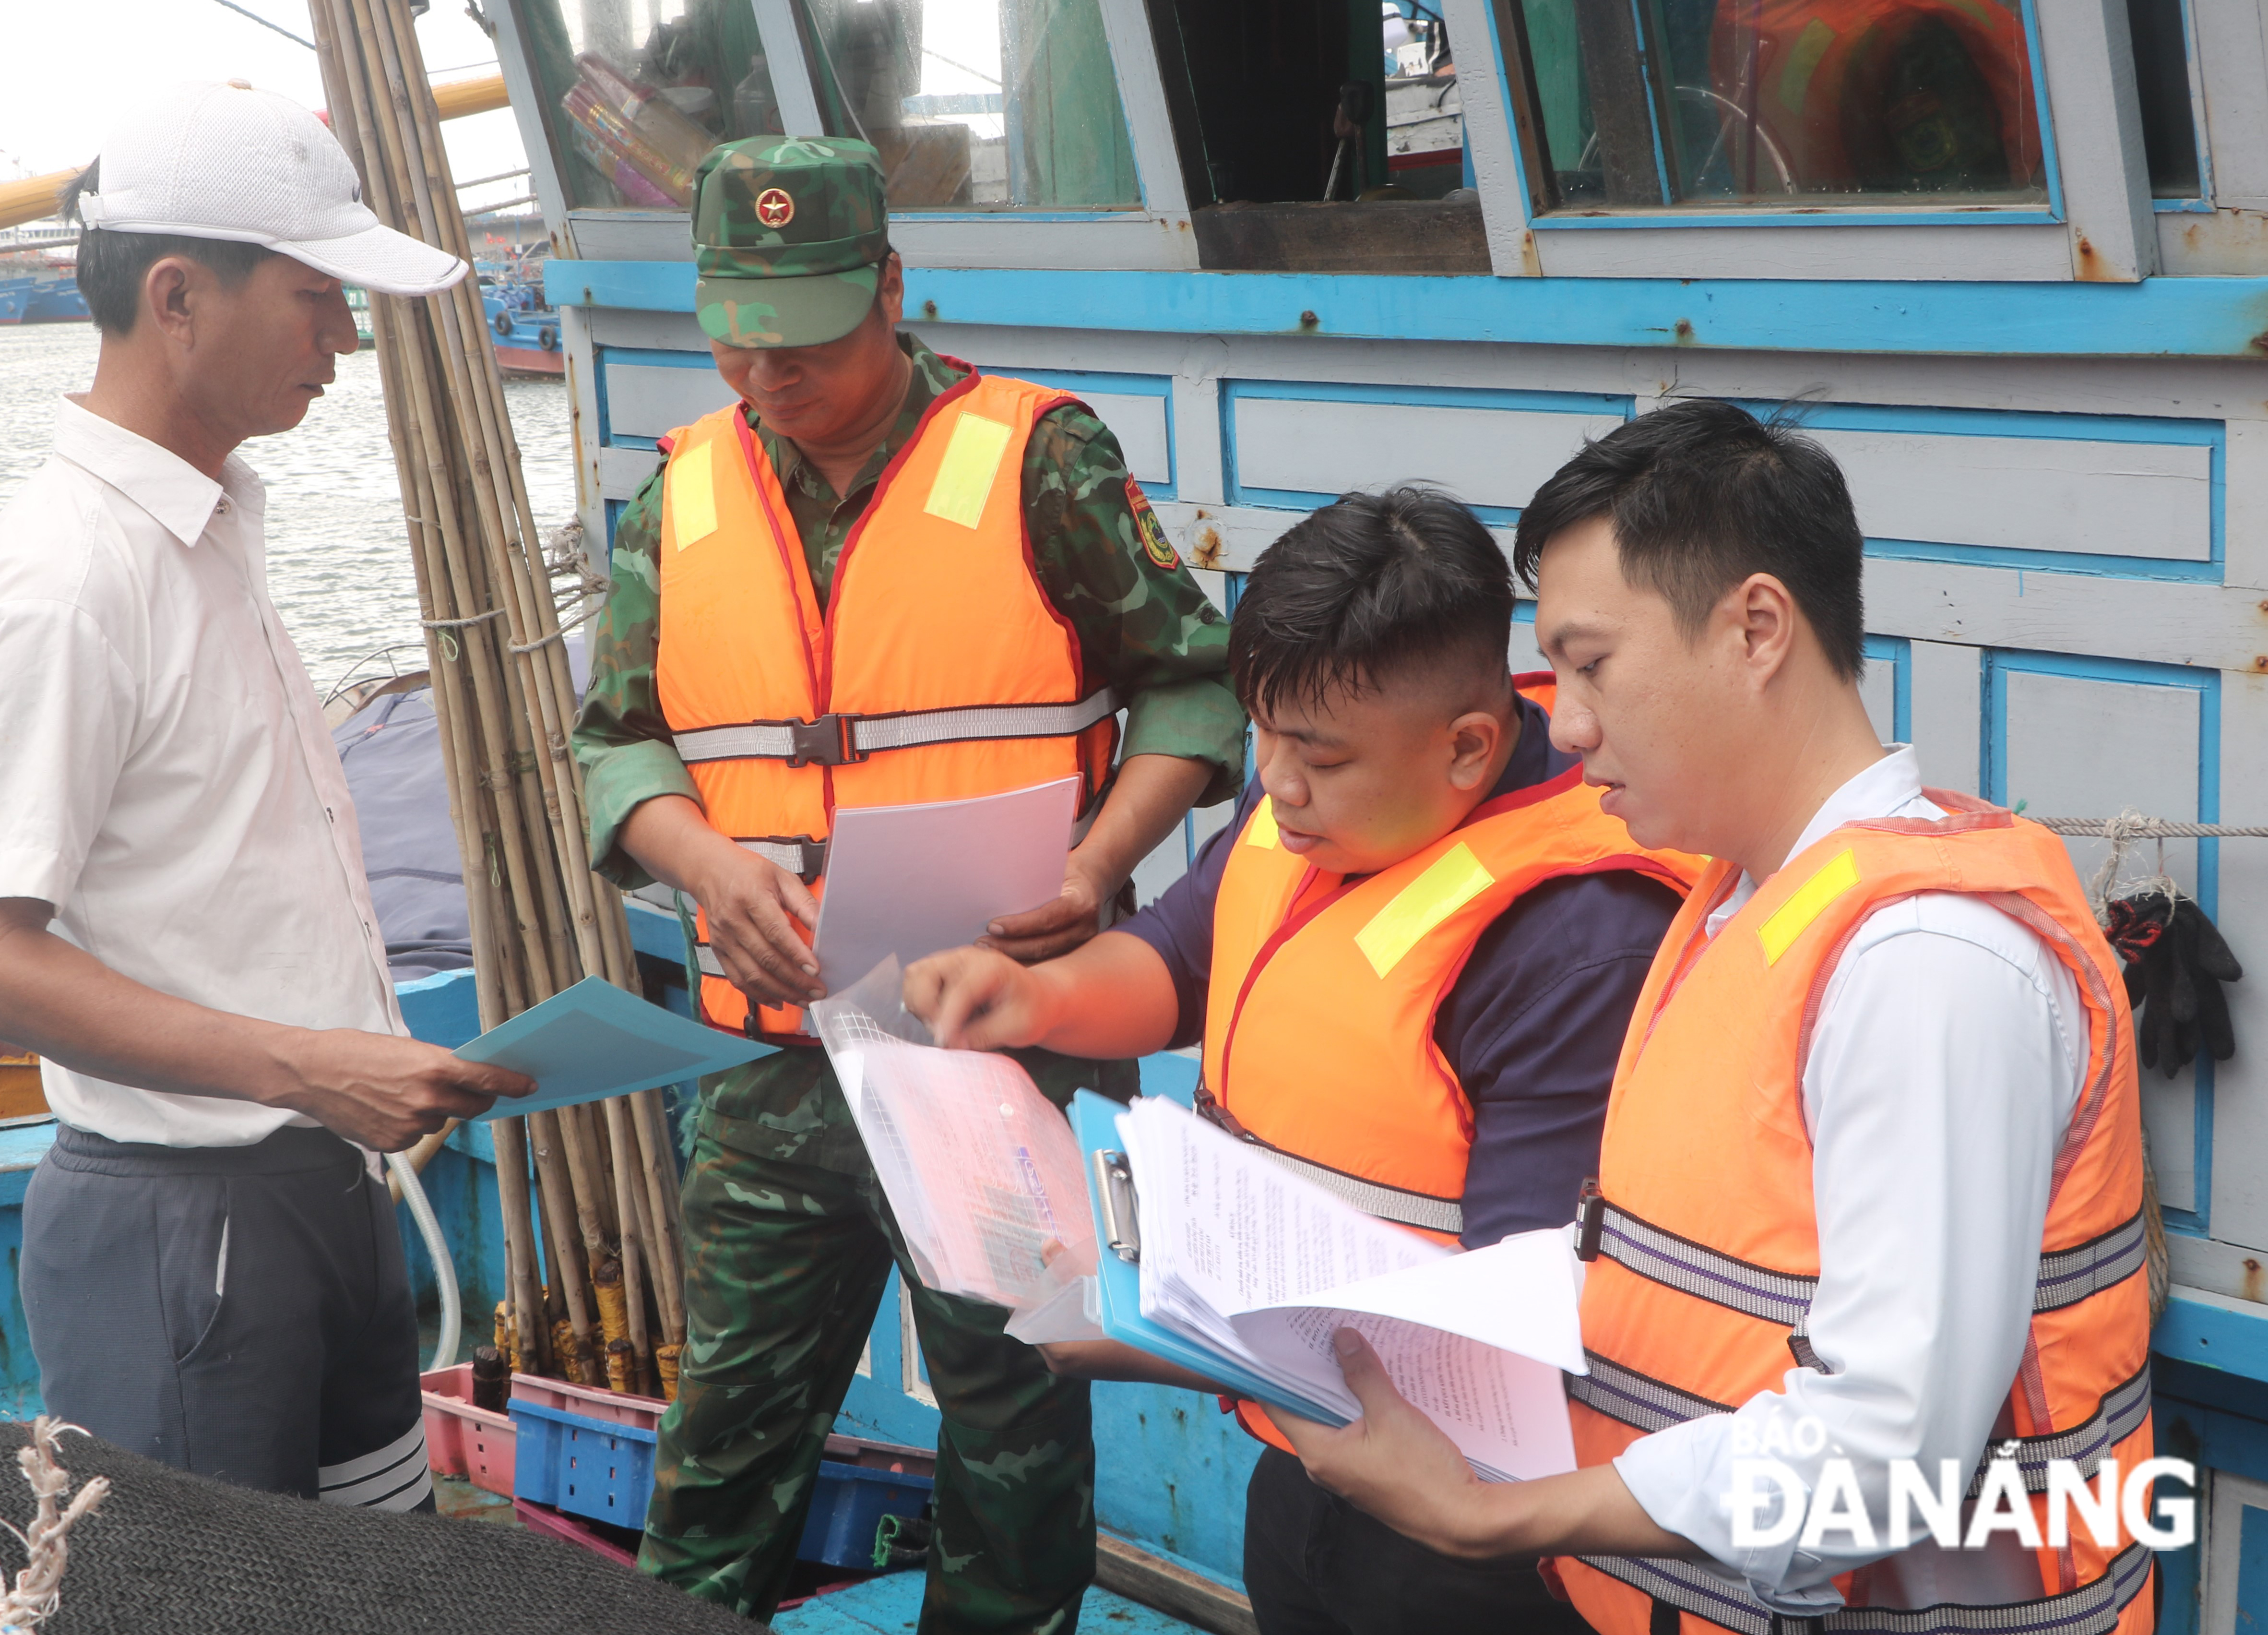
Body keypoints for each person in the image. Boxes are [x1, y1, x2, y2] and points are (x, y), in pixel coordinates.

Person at [1268, 401, 2154, 1635]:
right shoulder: (1739, 899)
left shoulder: (1927, 964)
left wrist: (1495, 1519)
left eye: (1593, 663)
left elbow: (1887, 1457)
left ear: (1755, 629)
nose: (1563, 720)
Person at [570, 134, 1245, 1634]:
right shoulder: (674, 497)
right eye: (738, 338)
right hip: (773, 1068)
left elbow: (1194, 693)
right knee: (721, 1457)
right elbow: (612, 747)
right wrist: (701, 861)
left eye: (807, 338)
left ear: (890, 285)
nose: (769, 375)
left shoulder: (1041, 458)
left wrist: (1095, 865)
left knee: (1012, 1446)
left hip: (999, 1057)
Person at [903, 488, 1698, 1635]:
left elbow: (1513, 1332)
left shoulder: (1574, 943)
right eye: (1262, 733)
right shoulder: (1316, 810)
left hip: (1467, 1536)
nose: (1274, 784)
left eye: (1315, 756)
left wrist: (1145, 1337)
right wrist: (1032, 998)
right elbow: (1180, 957)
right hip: (1304, 1472)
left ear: (1469, 746)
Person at [0, 80, 531, 1510]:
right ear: (179, 296)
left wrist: (335, 1078)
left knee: (369, 1587)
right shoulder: (66, 579)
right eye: (318, 296)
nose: (344, 336)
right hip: (182, 1229)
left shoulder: (207, 524)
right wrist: (307, 1065)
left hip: (318, 1181)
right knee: (216, 1600)